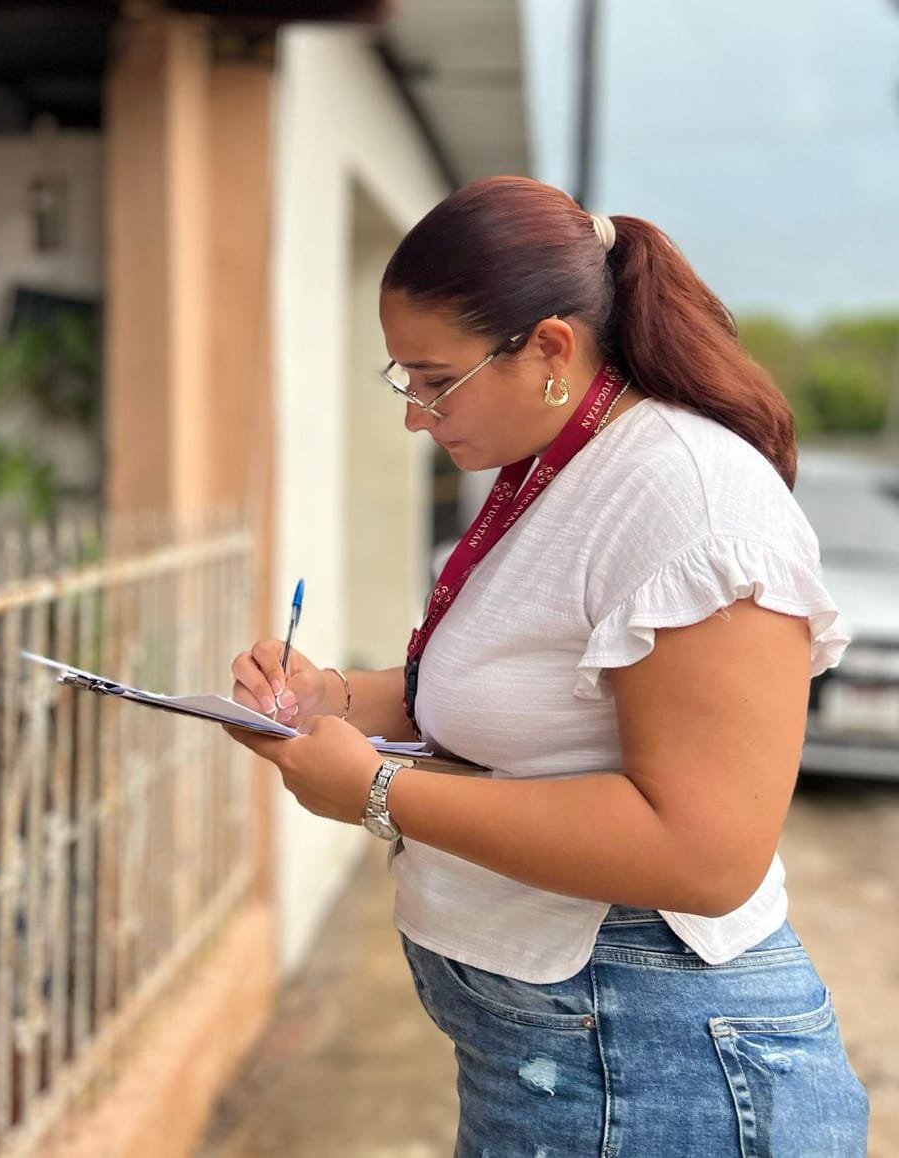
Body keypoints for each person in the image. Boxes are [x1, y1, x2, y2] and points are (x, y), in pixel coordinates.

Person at [227, 177, 869, 1155]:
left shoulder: (686, 496)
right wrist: (332, 700)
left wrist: (379, 794)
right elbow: (534, 688)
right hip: (573, 1056)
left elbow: (707, 851)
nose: (414, 417)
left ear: (551, 351)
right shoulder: (558, 467)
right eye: (402, 380)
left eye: (432, 380)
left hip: (660, 1069)